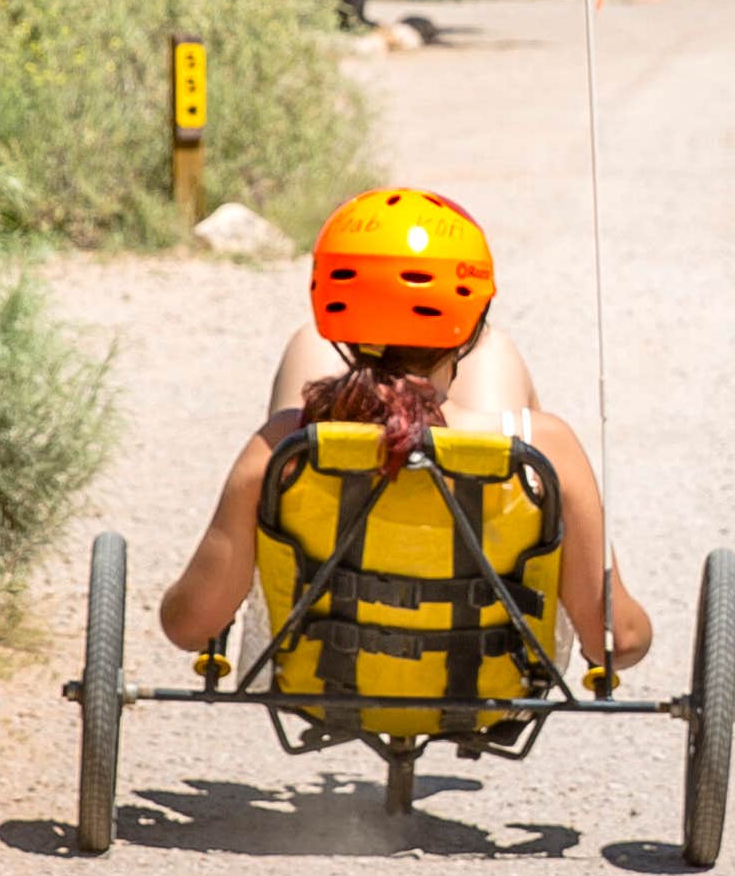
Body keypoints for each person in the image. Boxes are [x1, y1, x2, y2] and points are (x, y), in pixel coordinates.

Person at [163, 186, 651, 675]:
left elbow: (189, 626)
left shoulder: (281, 447)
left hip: (318, 678)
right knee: (499, 357)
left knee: (305, 360)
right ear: (474, 316)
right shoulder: (544, 447)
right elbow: (618, 641)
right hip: (487, 685)